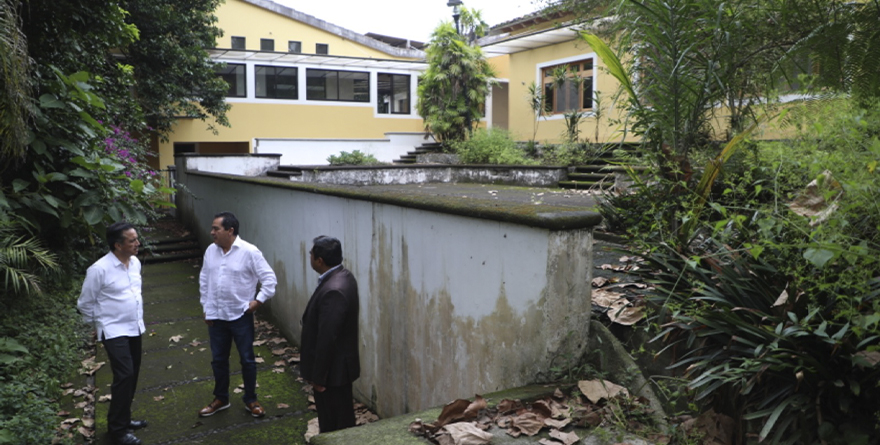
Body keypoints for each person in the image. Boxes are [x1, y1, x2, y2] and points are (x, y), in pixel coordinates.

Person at [198, 211, 277, 418]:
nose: (212, 232)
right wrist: (206, 307)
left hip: (240, 315)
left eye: (216, 228)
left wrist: (257, 301)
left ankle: (251, 399)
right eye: (212, 228)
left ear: (230, 230)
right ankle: (221, 398)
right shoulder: (210, 251)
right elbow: (204, 279)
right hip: (216, 316)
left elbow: (269, 279)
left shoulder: (249, 252)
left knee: (247, 360)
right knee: (218, 360)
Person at [77, 222, 148, 445]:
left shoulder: (135, 262)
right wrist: (99, 326)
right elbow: (85, 303)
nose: (138, 243)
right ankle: (117, 430)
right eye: (132, 240)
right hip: (113, 329)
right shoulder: (99, 269)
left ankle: (124, 420)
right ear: (117, 245)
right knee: (124, 374)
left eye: (137, 238)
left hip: (134, 326)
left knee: (132, 374)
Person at [300, 236, 360, 433]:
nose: (309, 256)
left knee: (334, 423)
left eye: (311, 254)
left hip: (333, 374)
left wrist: (319, 378)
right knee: (341, 418)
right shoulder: (344, 276)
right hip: (338, 370)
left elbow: (327, 338)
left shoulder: (334, 289)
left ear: (319, 260)